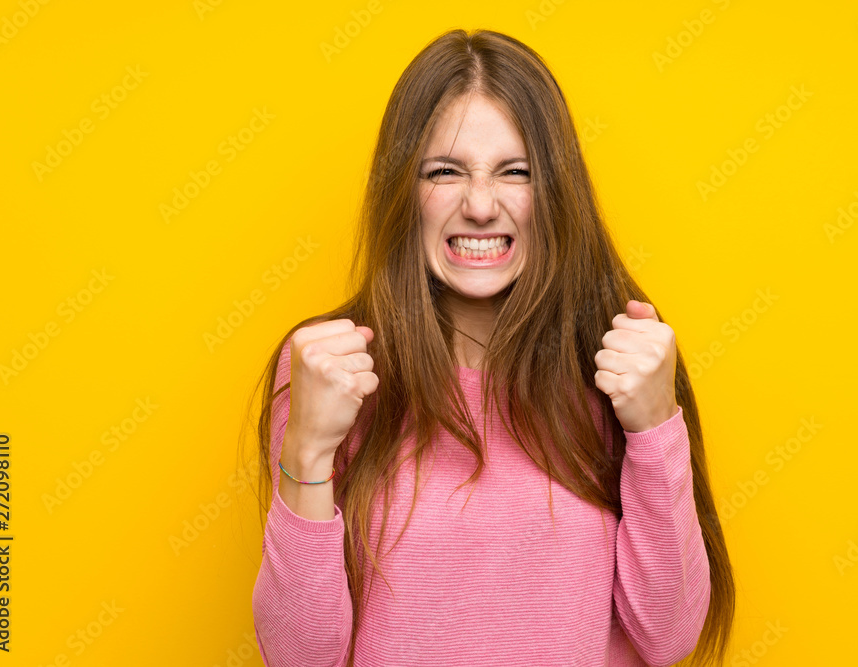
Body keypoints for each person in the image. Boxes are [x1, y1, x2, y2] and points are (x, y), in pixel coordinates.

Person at [244, 28, 734, 667]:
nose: (480, 206)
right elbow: (299, 658)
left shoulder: (620, 361)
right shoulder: (329, 369)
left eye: (516, 172)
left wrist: (654, 426)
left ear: (554, 192)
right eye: (445, 172)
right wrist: (307, 449)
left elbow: (668, 639)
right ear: (403, 189)